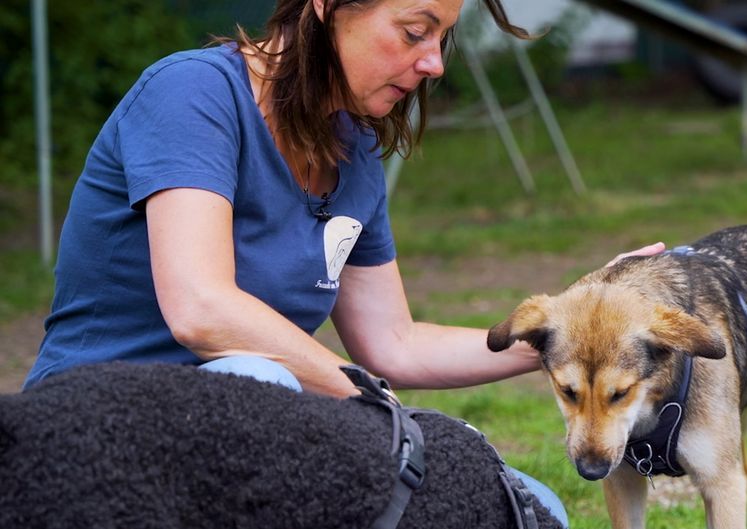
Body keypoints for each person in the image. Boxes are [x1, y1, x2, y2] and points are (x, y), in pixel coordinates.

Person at [24, 0, 664, 524]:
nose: (434, 62)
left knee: (535, 512)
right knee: (259, 380)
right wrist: (373, 408)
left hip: (252, 442)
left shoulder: (352, 149)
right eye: (415, 32)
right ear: (325, 8)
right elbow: (202, 307)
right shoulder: (193, 95)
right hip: (91, 443)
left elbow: (397, 342)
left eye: (443, 38)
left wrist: (573, 335)